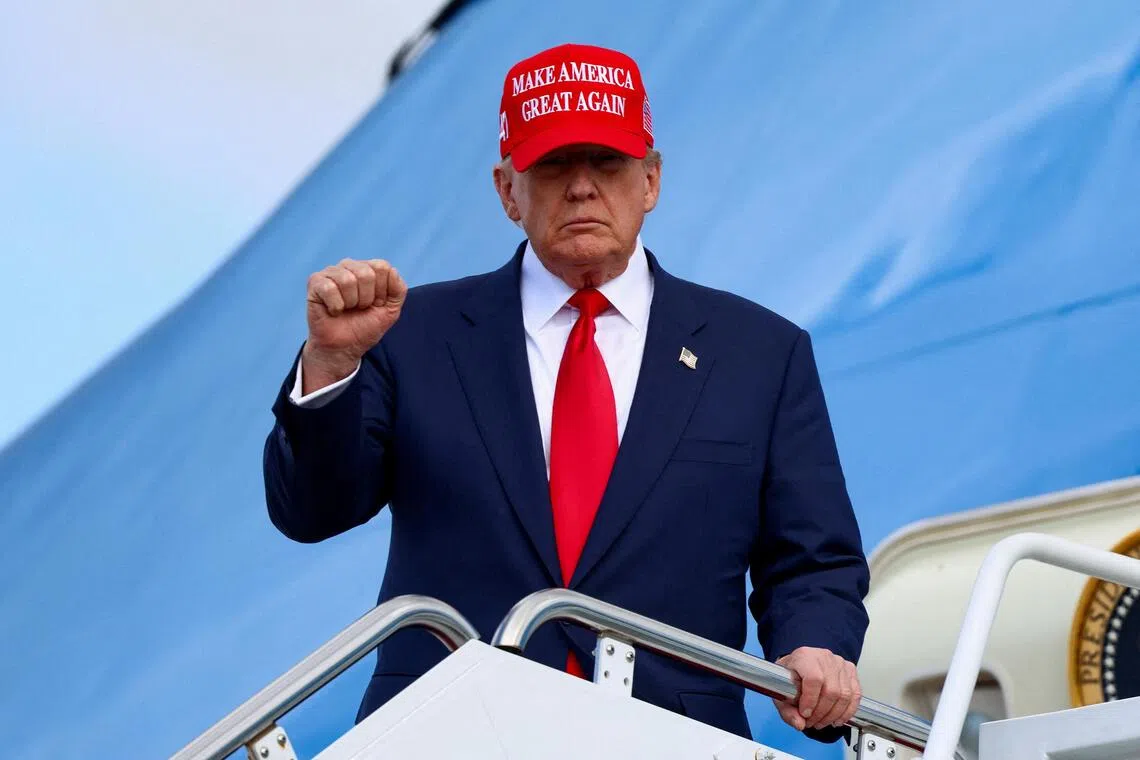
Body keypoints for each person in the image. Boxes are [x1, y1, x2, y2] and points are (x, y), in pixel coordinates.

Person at [263, 42, 869, 743]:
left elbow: (813, 558)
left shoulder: (761, 353)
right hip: (451, 733)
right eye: (553, 163)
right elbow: (312, 511)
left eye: (607, 162)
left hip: (667, 739)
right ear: (506, 190)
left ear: (651, 180)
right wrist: (331, 365)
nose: (582, 186)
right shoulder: (409, 332)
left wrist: (816, 644)